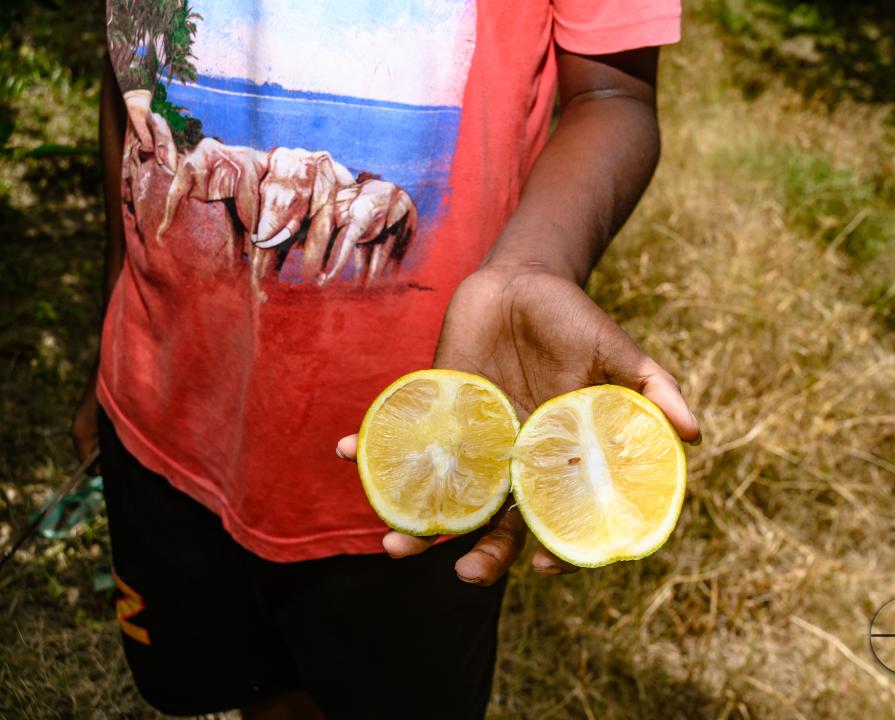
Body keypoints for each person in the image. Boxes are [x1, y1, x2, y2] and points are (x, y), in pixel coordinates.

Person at [71, 1, 701, 718]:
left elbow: (612, 95)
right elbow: (127, 64)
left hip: (423, 453)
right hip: (164, 409)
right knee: (252, 684)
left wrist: (533, 266)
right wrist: (107, 327)